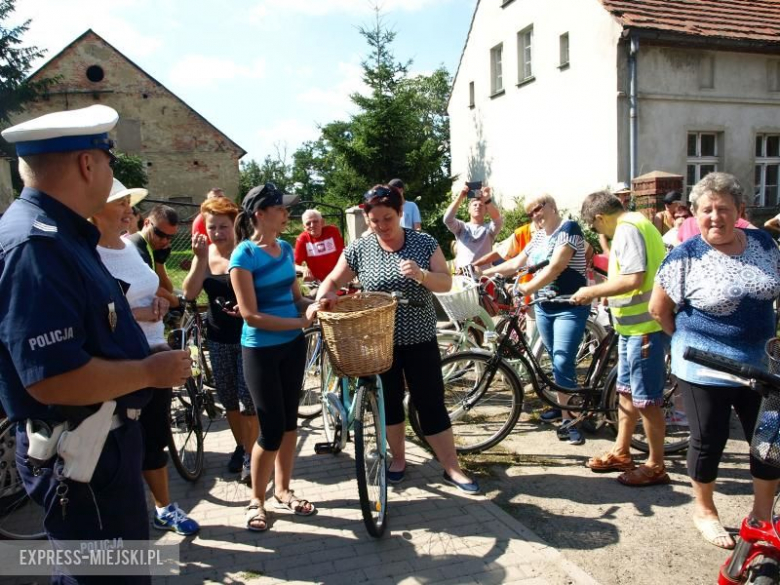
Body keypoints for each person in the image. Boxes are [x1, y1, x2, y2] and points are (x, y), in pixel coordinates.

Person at [0, 105, 190, 583]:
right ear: (87, 164)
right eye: (109, 159)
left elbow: (90, 337)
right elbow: (54, 379)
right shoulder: (37, 245)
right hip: (82, 453)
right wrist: (149, 373)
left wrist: (143, 356)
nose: (112, 171)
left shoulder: (63, 235)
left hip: (100, 447)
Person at [315, 185, 480, 494]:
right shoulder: (360, 249)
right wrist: (324, 297)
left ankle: (452, 468)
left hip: (420, 339)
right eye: (375, 220)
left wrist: (422, 276)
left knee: (430, 402)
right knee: (388, 403)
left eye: (388, 218)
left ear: (400, 213)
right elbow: (335, 279)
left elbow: (445, 283)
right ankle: (399, 460)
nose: (382, 226)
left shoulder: (423, 242)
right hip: (380, 342)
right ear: (367, 219)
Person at [649, 172, 780, 549]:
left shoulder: (763, 242)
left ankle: (760, 513)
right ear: (694, 213)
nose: (714, 217)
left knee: (770, 440)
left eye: (723, 209)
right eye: (706, 209)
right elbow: (660, 311)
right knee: (710, 440)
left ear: (740, 211)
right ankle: (704, 510)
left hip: (763, 366)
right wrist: (694, 346)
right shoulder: (684, 256)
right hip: (705, 368)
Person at [93, 178, 199, 536]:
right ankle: (123, 516)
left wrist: (156, 300)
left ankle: (164, 508)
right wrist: (137, 315)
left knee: (155, 435)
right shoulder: (87, 255)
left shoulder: (128, 248)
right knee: (122, 443)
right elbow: (92, 312)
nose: (129, 211)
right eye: (120, 203)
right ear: (95, 209)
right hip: (122, 361)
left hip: (155, 353)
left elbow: (149, 287)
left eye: (129, 204)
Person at [229, 182, 317, 532]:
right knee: (270, 429)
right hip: (261, 350)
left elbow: (297, 298)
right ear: (260, 214)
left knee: (289, 423)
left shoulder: (284, 249)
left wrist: (317, 304)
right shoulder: (243, 256)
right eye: (280, 208)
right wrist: (299, 321)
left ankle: (283, 489)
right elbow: (250, 314)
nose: (287, 213)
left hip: (292, 346)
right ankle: (257, 499)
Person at [572, 190, 669, 486]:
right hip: (632, 329)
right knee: (626, 392)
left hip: (645, 329)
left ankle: (655, 464)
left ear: (600, 218)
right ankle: (622, 451)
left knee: (646, 399)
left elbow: (633, 279)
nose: (598, 232)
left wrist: (592, 291)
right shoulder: (638, 223)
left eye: (595, 226)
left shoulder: (627, 230)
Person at [479, 195, 589, 445]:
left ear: (552, 205)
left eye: (537, 209)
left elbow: (557, 267)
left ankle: (570, 420)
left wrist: (524, 290)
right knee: (554, 359)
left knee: (562, 361)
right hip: (544, 306)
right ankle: (562, 405)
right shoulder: (538, 235)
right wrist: (483, 273)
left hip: (569, 305)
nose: (534, 216)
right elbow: (517, 262)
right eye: (530, 214)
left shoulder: (569, 229)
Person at [182, 196, 258, 480]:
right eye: (212, 227)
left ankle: (253, 454)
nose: (217, 233)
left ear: (235, 224)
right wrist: (201, 260)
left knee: (247, 399)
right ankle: (241, 446)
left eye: (223, 226)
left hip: (249, 336)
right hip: (218, 337)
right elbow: (189, 293)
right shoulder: (206, 254)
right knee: (228, 399)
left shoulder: (247, 252)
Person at [126, 204, 182, 311]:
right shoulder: (136, 248)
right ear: (146, 223)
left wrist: (159, 262)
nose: (165, 241)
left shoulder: (151, 248)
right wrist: (174, 301)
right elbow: (151, 289)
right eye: (160, 233)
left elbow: (166, 288)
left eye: (170, 237)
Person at [444, 183, 503, 270]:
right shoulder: (462, 227)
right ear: (469, 210)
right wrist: (460, 197)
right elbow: (447, 219)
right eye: (474, 205)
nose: (478, 206)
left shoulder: (489, 229)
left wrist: (487, 200)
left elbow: (498, 221)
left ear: (486, 211)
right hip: (463, 276)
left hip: (483, 277)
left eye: (481, 205)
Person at [293, 209, 345, 282]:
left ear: (322, 222)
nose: (312, 225)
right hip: (317, 281)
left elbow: (344, 254)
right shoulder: (302, 239)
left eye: (315, 221)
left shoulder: (332, 231)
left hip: (338, 276)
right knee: (313, 293)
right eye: (308, 223)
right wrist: (303, 269)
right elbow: (293, 264)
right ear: (304, 227)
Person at [598, 182, 632, 256]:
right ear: (616, 197)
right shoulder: (609, 213)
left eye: (628, 194)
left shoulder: (629, 214)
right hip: (614, 254)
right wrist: (608, 254)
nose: (627, 197)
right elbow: (602, 236)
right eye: (624, 195)